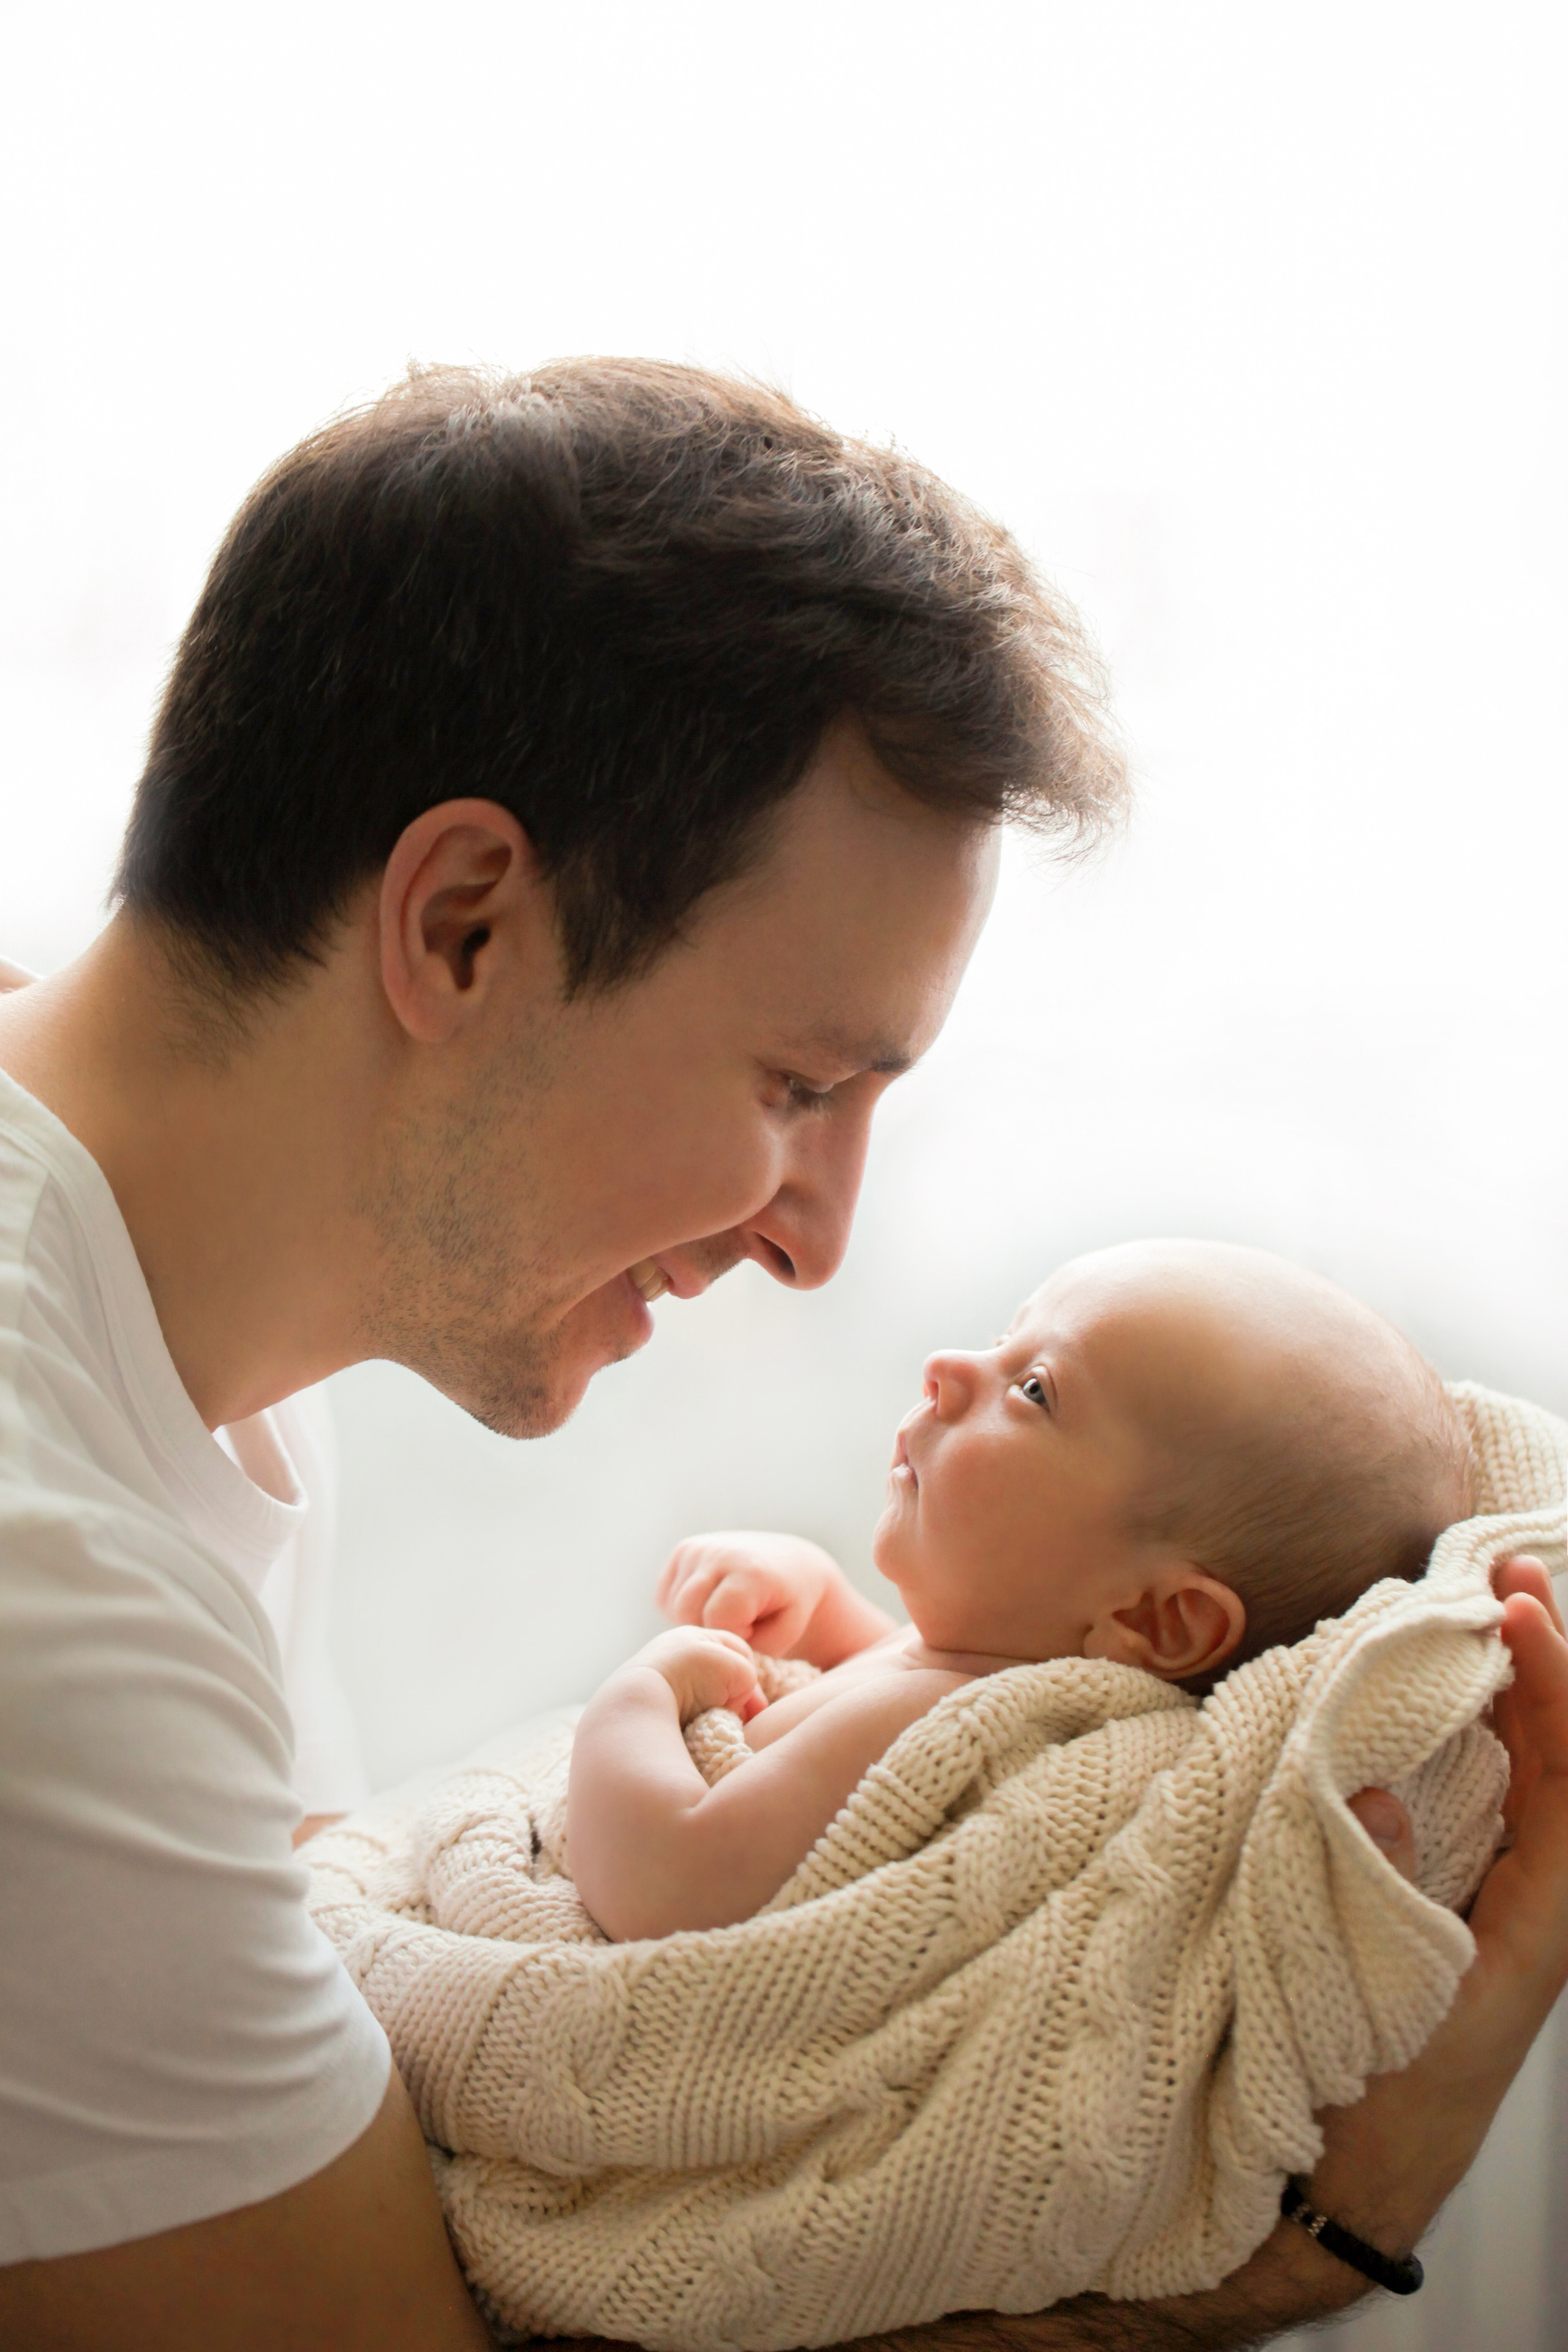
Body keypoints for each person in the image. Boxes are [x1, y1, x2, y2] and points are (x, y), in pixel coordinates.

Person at [0, 360, 1564, 2352]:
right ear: (466, 924)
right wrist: (1303, 2243)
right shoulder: (44, 1595)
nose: (821, 1244)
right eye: (800, 1083)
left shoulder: (173, 1289)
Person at [568, 1240, 1477, 1939]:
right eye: (1006, 1337)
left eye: (1035, 1390)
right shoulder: (980, 1671)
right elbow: (893, 1677)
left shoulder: (954, 1728)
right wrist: (826, 1614)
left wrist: (638, 1698)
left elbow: (663, 1887)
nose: (950, 1368)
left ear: (1157, 1618)